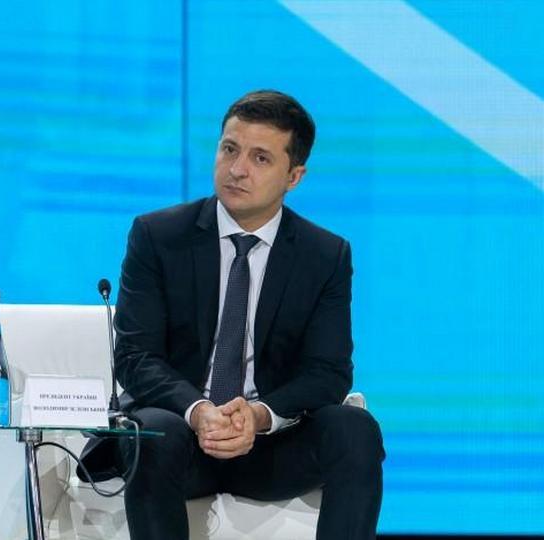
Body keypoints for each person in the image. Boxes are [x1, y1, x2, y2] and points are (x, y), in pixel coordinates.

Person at [100, 90, 384, 539]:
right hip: (180, 437)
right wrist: (198, 411)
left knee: (355, 429)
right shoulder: (158, 236)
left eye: (260, 158)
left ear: (294, 176)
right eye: (229, 149)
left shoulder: (324, 255)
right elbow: (135, 356)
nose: (237, 169)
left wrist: (258, 415)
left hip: (270, 446)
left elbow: (328, 373)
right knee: (154, 431)